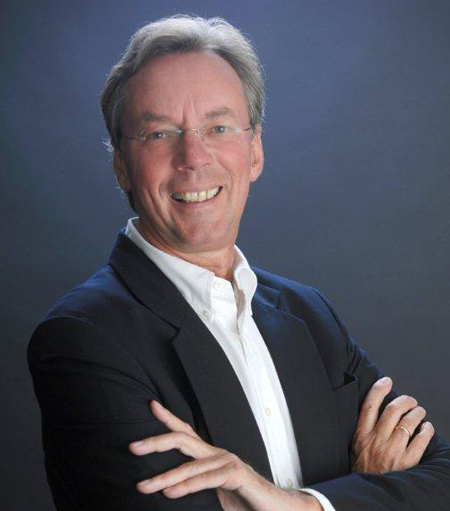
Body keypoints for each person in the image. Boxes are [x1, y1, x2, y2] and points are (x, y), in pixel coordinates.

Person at [28, 15, 450, 511]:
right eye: (159, 134)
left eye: (219, 127)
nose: (193, 156)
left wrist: (293, 504)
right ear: (120, 164)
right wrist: (365, 489)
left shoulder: (309, 314)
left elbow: (441, 477)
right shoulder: (83, 338)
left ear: (254, 152)